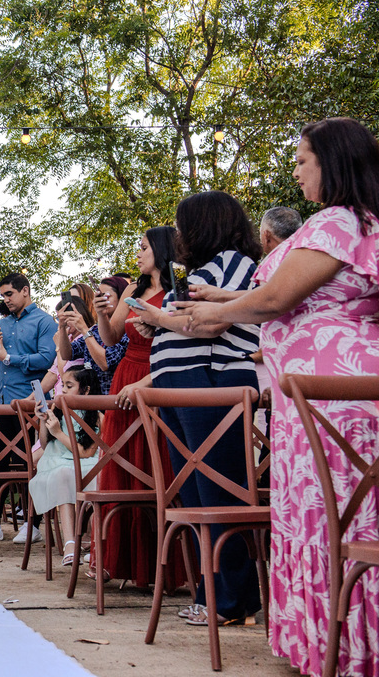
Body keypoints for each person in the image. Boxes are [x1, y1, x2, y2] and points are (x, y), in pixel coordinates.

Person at [177, 118, 379, 676]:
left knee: (334, 518)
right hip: (337, 391)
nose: (295, 170)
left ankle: (341, 648)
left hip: (330, 397)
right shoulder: (365, 224)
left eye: (302, 160)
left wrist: (212, 314)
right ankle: (349, 641)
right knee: (352, 517)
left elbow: (274, 299)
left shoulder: (339, 221)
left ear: (334, 162)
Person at [127, 191, 264, 628]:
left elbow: (206, 325)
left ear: (208, 224)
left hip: (209, 383)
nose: (180, 236)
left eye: (185, 225)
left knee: (219, 492)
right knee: (195, 492)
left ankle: (229, 601)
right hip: (180, 387)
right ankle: (217, 595)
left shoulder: (235, 263)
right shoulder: (202, 271)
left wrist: (161, 319)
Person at [95, 226, 184, 588]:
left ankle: (168, 568)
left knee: (157, 465)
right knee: (123, 465)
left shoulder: (180, 288)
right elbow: (112, 337)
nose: (138, 253)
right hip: (125, 377)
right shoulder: (134, 289)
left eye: (143, 247)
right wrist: (101, 313)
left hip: (158, 375)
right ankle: (130, 567)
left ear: (160, 249)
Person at [0, 272, 57, 544]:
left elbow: (47, 359)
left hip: (32, 404)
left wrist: (10, 357)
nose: (5, 300)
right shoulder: (2, 324)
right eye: (2, 295)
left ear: (25, 291)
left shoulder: (45, 321)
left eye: (10, 294)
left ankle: (34, 524)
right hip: (2, 404)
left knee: (34, 466)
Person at [29, 366, 100, 567]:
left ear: (86, 390)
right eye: (63, 386)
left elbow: (86, 453)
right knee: (63, 475)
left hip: (86, 463)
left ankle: (94, 543)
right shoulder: (58, 409)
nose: (64, 391)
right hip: (57, 462)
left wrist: (60, 433)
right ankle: (70, 544)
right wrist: (43, 422)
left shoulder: (96, 416)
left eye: (70, 386)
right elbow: (44, 444)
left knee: (96, 477)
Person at [54, 292, 126, 395]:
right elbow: (67, 354)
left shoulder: (123, 331)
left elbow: (105, 364)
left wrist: (83, 329)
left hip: (113, 397)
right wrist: (61, 327)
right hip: (92, 400)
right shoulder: (95, 330)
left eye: (106, 296)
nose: (101, 300)